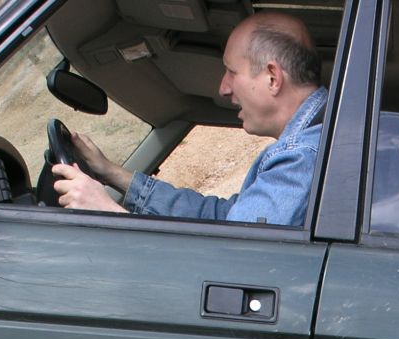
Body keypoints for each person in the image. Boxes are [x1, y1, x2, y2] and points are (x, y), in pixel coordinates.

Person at [52, 12, 325, 225]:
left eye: (232, 72)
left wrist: (108, 211)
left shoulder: (302, 158)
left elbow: (232, 259)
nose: (223, 88)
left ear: (272, 78)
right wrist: (110, 173)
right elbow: (226, 218)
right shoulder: (316, 144)